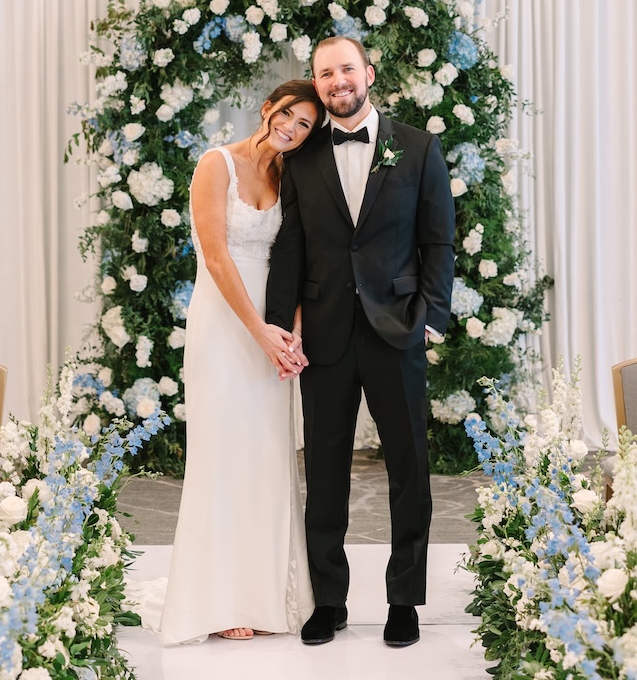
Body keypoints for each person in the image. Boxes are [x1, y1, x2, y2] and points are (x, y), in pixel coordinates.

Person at [265, 37, 456, 648]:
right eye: (325, 73)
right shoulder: (301, 155)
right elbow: (289, 246)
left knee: (409, 468)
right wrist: (279, 326)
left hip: (397, 329)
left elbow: (438, 241)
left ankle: (404, 601)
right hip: (323, 335)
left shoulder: (418, 147)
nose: (337, 80)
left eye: (346, 68)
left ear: (368, 73)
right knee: (324, 470)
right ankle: (329, 600)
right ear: (316, 83)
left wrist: (432, 319)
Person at [143, 80, 326, 644]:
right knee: (222, 455)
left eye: (304, 125)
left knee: (266, 456)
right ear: (268, 108)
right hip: (225, 324)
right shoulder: (215, 164)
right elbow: (217, 257)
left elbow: (299, 258)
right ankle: (219, 599)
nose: (291, 128)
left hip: (274, 326)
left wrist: (291, 332)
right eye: (288, 114)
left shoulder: (290, 177)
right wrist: (259, 332)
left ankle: (266, 593)